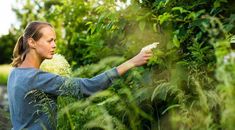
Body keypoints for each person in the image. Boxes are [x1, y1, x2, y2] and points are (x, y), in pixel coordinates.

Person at [7, 21, 153, 130]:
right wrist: (132, 62)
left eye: (55, 40)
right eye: (50, 40)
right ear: (32, 42)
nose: (54, 45)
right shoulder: (37, 78)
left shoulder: (15, 72)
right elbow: (90, 86)